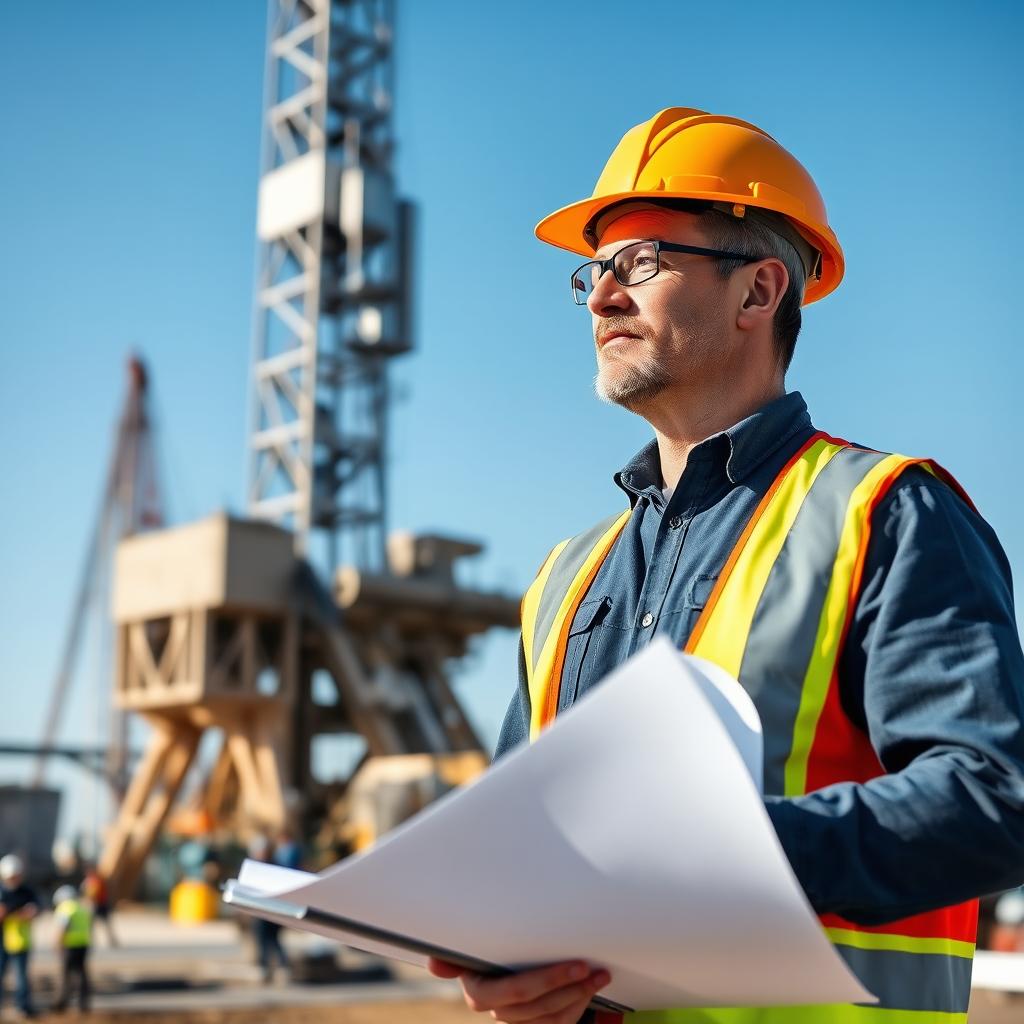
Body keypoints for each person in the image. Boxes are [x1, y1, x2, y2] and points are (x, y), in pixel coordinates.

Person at [428, 106, 1024, 1023]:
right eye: (594, 270)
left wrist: (723, 859)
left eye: (642, 262)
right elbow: (526, 859)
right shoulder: (563, 580)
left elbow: (995, 795)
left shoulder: (887, 513)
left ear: (757, 294)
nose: (600, 297)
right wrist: (508, 961)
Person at [0, 854, 39, 1019]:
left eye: (15, 876)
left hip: (20, 941)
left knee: (21, 976)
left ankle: (23, 1006)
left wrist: (29, 912)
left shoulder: (26, 892)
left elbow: (36, 908)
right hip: (2, 941)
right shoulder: (1, 892)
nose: (13, 879)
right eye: (10, 877)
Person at [51, 884, 92, 1014]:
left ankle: (61, 1003)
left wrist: (58, 944)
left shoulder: (65, 908)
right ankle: (83, 1003)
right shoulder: (80, 907)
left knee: (65, 975)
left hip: (70, 945)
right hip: (83, 944)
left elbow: (62, 928)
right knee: (81, 974)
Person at [80, 866, 116, 948]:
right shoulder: (94, 880)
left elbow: (92, 893)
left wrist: (86, 900)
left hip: (98, 904)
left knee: (95, 923)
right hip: (101, 904)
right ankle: (110, 940)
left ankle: (93, 940)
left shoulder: (94, 880)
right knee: (104, 923)